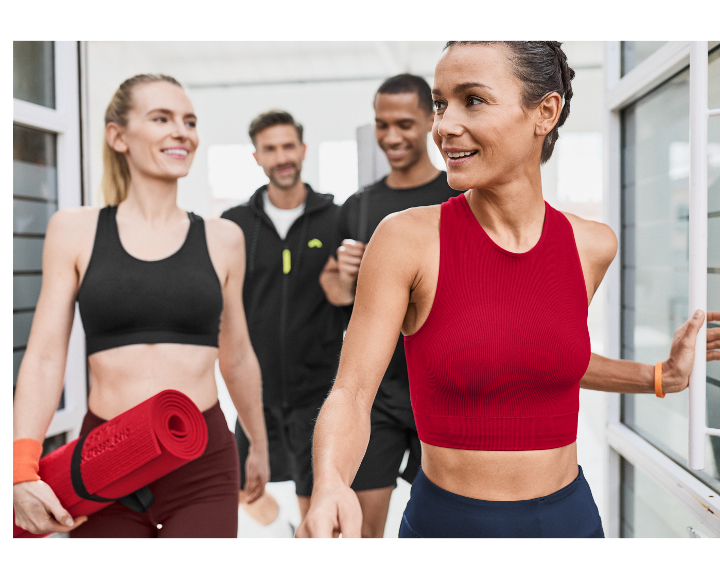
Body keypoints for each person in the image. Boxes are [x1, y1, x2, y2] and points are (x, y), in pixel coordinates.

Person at [298, 40, 720, 539]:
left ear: (545, 112)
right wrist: (331, 483)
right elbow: (352, 392)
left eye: (473, 100)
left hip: (570, 520)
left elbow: (538, 355)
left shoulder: (591, 245)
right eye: (441, 104)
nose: (443, 126)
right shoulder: (406, 240)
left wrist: (659, 376)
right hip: (449, 524)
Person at [12, 75, 270, 539]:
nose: (182, 132)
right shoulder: (73, 230)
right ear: (118, 137)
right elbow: (46, 356)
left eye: (189, 121)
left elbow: (238, 355)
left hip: (204, 464)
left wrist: (258, 445)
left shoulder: (223, 238)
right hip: (105, 462)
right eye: (162, 118)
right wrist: (20, 467)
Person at [319, 74, 458, 539]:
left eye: (404, 123)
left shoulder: (460, 199)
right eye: (381, 124)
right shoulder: (359, 206)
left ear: (430, 122)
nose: (391, 137)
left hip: (443, 391)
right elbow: (335, 296)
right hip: (375, 394)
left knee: (445, 524)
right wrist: (342, 275)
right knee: (358, 528)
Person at [222, 110, 345, 525]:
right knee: (243, 488)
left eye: (288, 146)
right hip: (257, 393)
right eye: (270, 149)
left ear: (303, 150)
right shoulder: (235, 225)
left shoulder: (336, 219)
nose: (281, 157)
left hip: (318, 392)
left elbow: (354, 296)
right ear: (256, 156)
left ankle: (303, 528)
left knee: (317, 503)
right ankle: (286, 527)